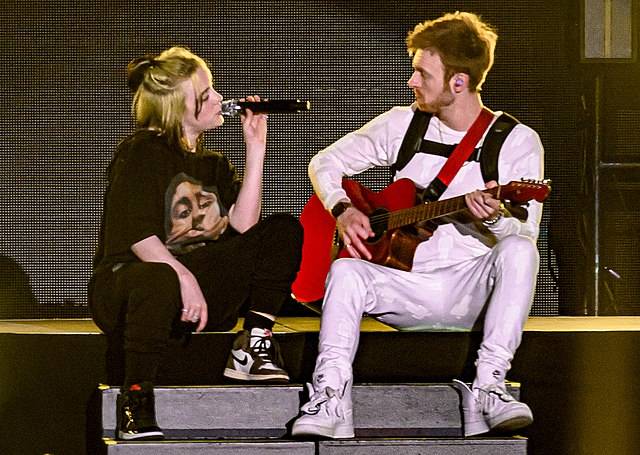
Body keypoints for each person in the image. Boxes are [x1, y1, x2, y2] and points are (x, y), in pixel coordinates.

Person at [292, 12, 543, 439]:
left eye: (422, 73)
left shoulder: (516, 140)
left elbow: (524, 236)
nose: (412, 82)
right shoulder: (403, 123)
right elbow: (325, 162)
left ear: (458, 82)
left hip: (471, 290)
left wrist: (496, 217)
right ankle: (331, 398)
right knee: (346, 270)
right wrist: (342, 209)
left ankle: (489, 386)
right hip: (407, 287)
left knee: (520, 251)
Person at [89, 46, 303, 440]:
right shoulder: (142, 153)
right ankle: (136, 403)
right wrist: (183, 278)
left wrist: (256, 149)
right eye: (207, 95)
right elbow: (137, 235)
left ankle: (253, 344)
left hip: (194, 292)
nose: (220, 98)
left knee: (283, 229)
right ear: (177, 109)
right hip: (133, 288)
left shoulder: (213, 164)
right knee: (158, 278)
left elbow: (241, 227)